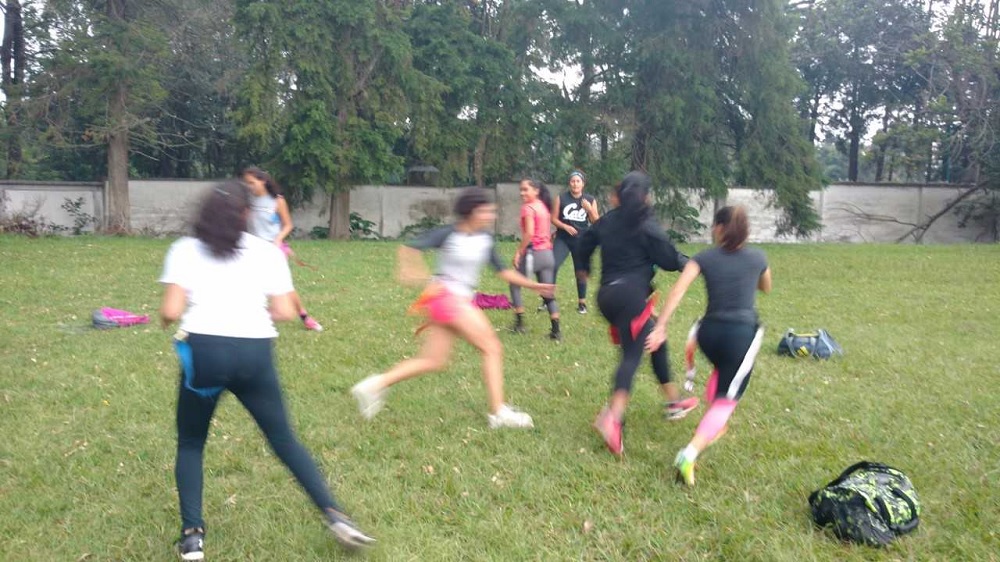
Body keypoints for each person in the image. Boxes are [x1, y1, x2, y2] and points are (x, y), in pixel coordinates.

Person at [159, 181, 374, 561]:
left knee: (191, 443)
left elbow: (171, 312)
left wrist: (166, 320)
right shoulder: (267, 253)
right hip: (254, 353)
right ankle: (336, 515)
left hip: (205, 353)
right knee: (284, 438)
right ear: (246, 214)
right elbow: (286, 312)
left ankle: (192, 537)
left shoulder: (184, 250)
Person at [350, 188, 554, 429]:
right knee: (492, 347)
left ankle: (373, 386)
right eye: (485, 211)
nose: (490, 215)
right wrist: (419, 276)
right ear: (470, 212)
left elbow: (503, 272)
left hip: (453, 302)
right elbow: (408, 250)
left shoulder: (485, 239)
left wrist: (533, 285)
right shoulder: (449, 234)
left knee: (433, 360)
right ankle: (498, 412)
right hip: (447, 299)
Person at [645, 205, 771, 486]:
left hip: (707, 334)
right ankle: (688, 454)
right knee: (727, 400)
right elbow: (766, 286)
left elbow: (678, 289)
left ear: (719, 228)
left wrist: (661, 326)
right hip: (741, 335)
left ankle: (715, 419)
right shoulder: (758, 257)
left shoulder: (704, 258)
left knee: (722, 371)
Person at [578, 171, 699, 457]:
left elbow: (584, 241)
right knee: (632, 355)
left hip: (606, 297)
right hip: (631, 298)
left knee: (655, 335)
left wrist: (584, 267)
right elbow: (669, 258)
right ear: (645, 197)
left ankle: (673, 401)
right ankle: (613, 417)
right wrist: (692, 264)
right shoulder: (647, 226)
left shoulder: (608, 220)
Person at [240, 166, 323, 332]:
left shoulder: (277, 200)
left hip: (272, 251)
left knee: (285, 287)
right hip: (251, 250)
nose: (249, 186)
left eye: (252, 182)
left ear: (262, 180)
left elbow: (288, 225)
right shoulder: (247, 201)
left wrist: (278, 239)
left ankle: (305, 317)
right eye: (246, 183)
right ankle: (250, 317)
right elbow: (242, 223)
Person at [510, 178, 561, 341]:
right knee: (547, 292)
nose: (522, 193)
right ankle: (556, 331)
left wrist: (519, 252)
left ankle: (520, 324)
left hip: (535, 254)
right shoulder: (543, 207)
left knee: (514, 284)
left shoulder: (528, 208)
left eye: (526, 189)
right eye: (521, 189)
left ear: (536, 191)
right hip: (548, 254)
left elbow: (530, 233)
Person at [550, 170, 599, 314]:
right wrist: (565, 226)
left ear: (583, 184)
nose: (575, 184)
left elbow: (596, 221)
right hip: (563, 239)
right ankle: (548, 299)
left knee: (581, 270)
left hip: (581, 240)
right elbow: (553, 218)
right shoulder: (561, 198)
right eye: (573, 181)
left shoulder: (589, 199)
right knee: (553, 265)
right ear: (569, 183)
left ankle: (582, 303)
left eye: (578, 181)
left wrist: (589, 209)